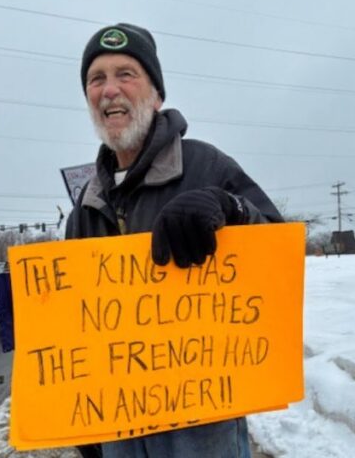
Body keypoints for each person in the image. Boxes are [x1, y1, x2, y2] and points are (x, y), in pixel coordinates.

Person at [68, 23, 282, 458]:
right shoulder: (86, 205)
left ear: (156, 94)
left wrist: (232, 208)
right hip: (117, 420)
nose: (110, 90)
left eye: (126, 74)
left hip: (202, 420)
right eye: (96, 79)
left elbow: (279, 253)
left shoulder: (205, 165)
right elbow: (72, 320)